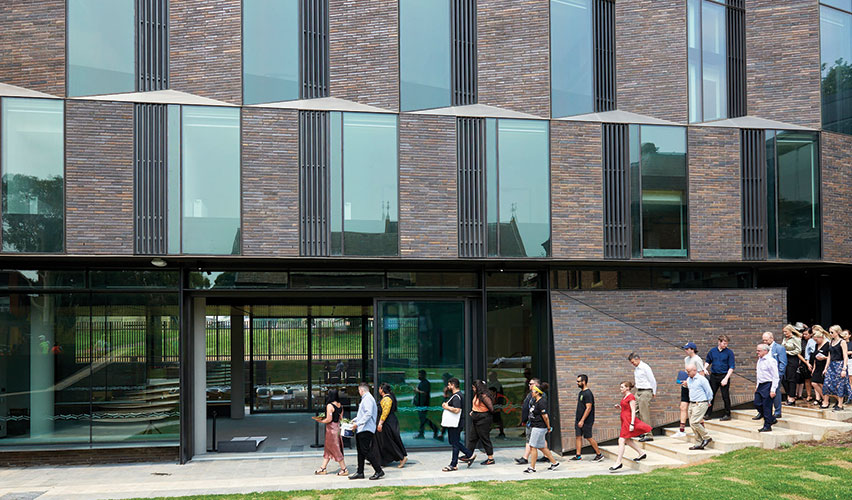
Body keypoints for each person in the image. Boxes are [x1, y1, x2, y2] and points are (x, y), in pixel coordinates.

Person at [609, 381, 651, 472]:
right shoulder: (625, 397)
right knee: (627, 440)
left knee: (621, 440)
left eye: (622, 387)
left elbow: (633, 410)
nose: (621, 389)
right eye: (620, 387)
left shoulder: (631, 397)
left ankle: (618, 462)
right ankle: (641, 453)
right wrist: (620, 407)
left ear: (627, 388)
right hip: (624, 420)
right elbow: (626, 408)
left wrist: (632, 423)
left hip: (628, 421)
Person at [348, 383, 384, 480]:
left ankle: (378, 470)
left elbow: (368, 414)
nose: (359, 392)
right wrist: (355, 420)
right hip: (362, 428)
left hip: (366, 429)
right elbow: (363, 414)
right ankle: (360, 472)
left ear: (361, 390)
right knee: (360, 451)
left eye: (359, 391)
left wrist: (358, 423)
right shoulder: (367, 398)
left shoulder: (367, 399)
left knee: (366, 450)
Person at [523, 383, 560, 473]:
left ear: (537, 392)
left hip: (539, 427)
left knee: (533, 446)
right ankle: (554, 463)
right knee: (542, 447)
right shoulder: (535, 401)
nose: (532, 392)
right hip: (535, 426)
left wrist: (548, 427)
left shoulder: (541, 402)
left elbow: (545, 416)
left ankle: (532, 467)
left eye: (533, 391)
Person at [441, 377, 474, 472]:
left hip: (456, 423)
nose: (448, 386)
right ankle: (467, 455)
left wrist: (446, 407)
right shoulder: (456, 395)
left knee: (455, 442)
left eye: (449, 385)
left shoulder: (457, 397)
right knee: (454, 442)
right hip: (455, 423)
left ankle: (454, 464)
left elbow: (457, 410)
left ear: (453, 385)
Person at [314, 389, 348, 476]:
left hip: (331, 430)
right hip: (337, 428)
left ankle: (344, 469)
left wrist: (320, 421)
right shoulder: (340, 405)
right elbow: (341, 418)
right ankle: (323, 468)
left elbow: (329, 419)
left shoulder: (330, 405)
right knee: (328, 449)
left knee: (335, 449)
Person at [676, 342, 707, 437]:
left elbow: (701, 374)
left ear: (692, 349)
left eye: (687, 349)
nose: (685, 351)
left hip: (694, 387)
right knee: (683, 406)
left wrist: (694, 385)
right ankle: (681, 430)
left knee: (696, 410)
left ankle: (702, 430)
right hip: (686, 384)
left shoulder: (697, 360)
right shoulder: (686, 359)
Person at [571, 374, 603, 462]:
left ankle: (599, 454)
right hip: (579, 419)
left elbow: (588, 408)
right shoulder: (581, 392)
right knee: (578, 436)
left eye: (578, 381)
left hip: (586, 420)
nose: (577, 383)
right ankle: (578, 456)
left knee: (588, 437)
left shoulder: (588, 393)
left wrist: (582, 420)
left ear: (583, 382)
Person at [462, 380, 495, 466]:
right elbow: (476, 406)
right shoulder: (477, 395)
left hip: (483, 419)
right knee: (472, 438)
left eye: (473, 387)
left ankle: (490, 458)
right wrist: (473, 412)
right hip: (476, 418)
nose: (473, 389)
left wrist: (480, 414)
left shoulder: (484, 396)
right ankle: (468, 455)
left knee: (484, 438)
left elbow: (491, 409)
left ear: (478, 387)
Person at [376, 383, 407, 468]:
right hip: (389, 422)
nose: (378, 390)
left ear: (382, 390)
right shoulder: (387, 397)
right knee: (385, 441)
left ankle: (402, 458)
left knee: (390, 441)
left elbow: (385, 412)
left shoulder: (387, 399)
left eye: (379, 388)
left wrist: (380, 423)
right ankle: (382, 460)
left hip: (388, 423)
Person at [704, 335, 734, 421]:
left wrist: (726, 378)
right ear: (719, 342)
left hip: (724, 375)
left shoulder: (729, 352)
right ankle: (708, 414)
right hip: (714, 376)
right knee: (711, 395)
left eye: (726, 344)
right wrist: (704, 368)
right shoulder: (712, 351)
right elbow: (708, 361)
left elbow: (731, 367)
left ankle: (727, 414)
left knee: (725, 396)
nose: (725, 345)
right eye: (724, 343)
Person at [627, 353, 656, 442]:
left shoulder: (645, 367)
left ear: (637, 359)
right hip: (638, 391)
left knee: (644, 413)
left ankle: (648, 434)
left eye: (633, 362)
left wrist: (653, 392)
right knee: (635, 411)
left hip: (646, 391)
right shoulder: (636, 369)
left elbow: (652, 380)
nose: (633, 364)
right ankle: (641, 431)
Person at [684, 365, 713, 450]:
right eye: (687, 371)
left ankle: (706, 437)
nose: (687, 373)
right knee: (692, 424)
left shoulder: (702, 379)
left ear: (694, 370)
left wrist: (709, 401)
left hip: (701, 402)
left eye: (688, 371)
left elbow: (709, 391)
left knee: (694, 422)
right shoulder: (689, 379)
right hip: (692, 403)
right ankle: (698, 443)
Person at [822, 325, 851, 411]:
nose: (830, 334)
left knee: (840, 384)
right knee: (827, 383)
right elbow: (829, 356)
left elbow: (845, 356)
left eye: (832, 332)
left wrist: (844, 369)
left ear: (837, 332)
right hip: (832, 365)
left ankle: (840, 404)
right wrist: (826, 368)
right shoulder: (831, 342)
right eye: (830, 332)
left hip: (840, 364)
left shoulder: (842, 342)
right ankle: (826, 402)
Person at [514, 378, 541, 465]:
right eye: (529, 384)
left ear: (537, 385)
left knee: (532, 441)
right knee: (532, 440)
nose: (529, 385)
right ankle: (525, 458)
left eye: (531, 384)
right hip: (530, 421)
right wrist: (524, 419)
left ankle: (525, 458)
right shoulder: (530, 394)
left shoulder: (540, 396)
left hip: (536, 422)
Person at [754, 344, 779, 432]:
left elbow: (775, 376)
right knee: (757, 403)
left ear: (765, 351)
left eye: (759, 351)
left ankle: (767, 426)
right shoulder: (759, 360)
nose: (757, 352)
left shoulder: (771, 361)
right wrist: (757, 385)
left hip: (768, 384)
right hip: (761, 384)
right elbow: (759, 374)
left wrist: (773, 389)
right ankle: (771, 419)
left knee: (767, 406)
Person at [761, 331, 787, 419]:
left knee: (775, 391)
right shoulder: (764, 348)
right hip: (767, 375)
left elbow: (783, 362)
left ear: (771, 339)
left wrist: (779, 374)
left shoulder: (779, 348)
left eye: (766, 340)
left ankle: (777, 411)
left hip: (776, 374)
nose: (764, 342)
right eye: (763, 340)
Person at [413, 370, 440, 440]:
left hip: (423, 404)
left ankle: (429, 431)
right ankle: (424, 432)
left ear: (424, 375)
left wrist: (417, 390)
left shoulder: (426, 383)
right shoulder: (422, 383)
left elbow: (425, 393)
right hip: (420, 404)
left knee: (423, 419)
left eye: (420, 375)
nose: (418, 376)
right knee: (422, 419)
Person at [781, 324, 802, 406]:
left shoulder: (796, 339)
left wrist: (788, 352)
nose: (785, 333)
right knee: (783, 378)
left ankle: (792, 397)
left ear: (790, 331)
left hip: (792, 359)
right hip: (784, 358)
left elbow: (798, 350)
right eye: (784, 332)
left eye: (786, 331)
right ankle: (789, 394)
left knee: (791, 378)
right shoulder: (785, 339)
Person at [810, 327, 830, 405]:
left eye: (816, 340)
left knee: (822, 384)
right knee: (814, 383)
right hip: (817, 366)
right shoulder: (816, 345)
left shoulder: (828, 345)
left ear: (821, 337)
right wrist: (814, 368)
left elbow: (831, 357)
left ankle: (827, 400)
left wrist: (824, 358)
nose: (816, 341)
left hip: (824, 365)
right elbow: (815, 357)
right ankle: (824, 398)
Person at [798, 326, 815, 403]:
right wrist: (805, 362)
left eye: (806, 334)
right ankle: (809, 395)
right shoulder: (802, 342)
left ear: (810, 334)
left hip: (813, 360)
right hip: (804, 362)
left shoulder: (814, 341)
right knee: (807, 379)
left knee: (815, 379)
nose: (804, 336)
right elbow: (799, 353)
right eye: (803, 334)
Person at [487, 372, 506, 438]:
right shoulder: (489, 383)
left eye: (491, 376)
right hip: (490, 403)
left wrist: (498, 404)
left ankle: (501, 432)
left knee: (497, 418)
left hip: (496, 404)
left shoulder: (497, 384)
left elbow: (500, 396)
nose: (490, 378)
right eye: (489, 376)